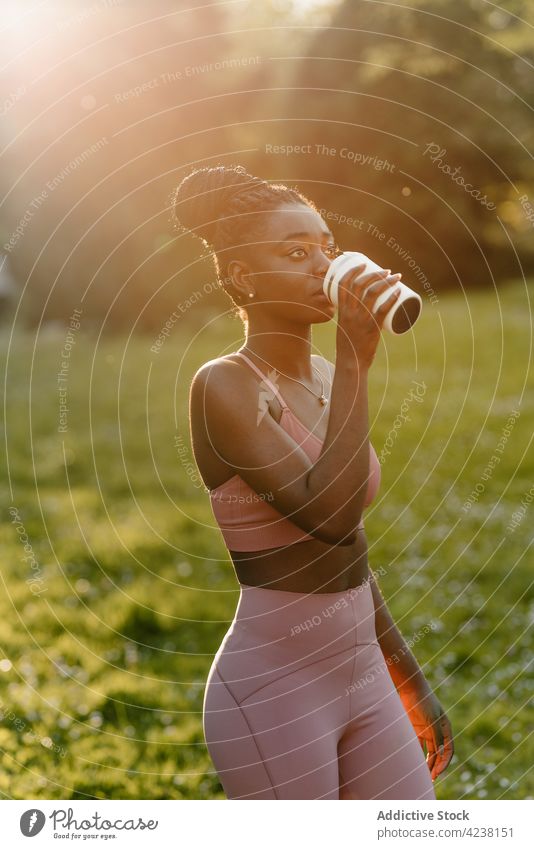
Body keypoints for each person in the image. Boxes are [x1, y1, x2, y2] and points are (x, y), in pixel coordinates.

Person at [173, 164, 454, 800]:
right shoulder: (226, 385)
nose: (322, 264)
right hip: (274, 689)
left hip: (364, 676)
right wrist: (358, 357)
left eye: (326, 247)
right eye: (296, 252)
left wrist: (409, 678)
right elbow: (323, 517)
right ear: (244, 277)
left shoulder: (326, 375)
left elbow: (348, 545)